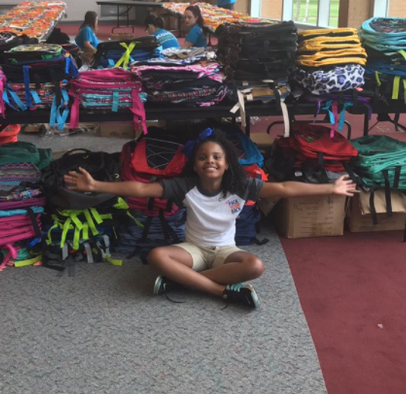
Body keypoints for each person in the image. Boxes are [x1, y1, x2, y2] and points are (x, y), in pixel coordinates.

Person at [64, 129, 356, 309]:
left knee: (255, 265)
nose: (210, 161)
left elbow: (283, 188)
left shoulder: (242, 185)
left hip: (225, 251)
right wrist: (96, 186)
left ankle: (181, 284)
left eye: (217, 156)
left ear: (227, 162)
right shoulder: (185, 186)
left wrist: (330, 187)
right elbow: (140, 188)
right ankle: (219, 291)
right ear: (195, 164)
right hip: (192, 250)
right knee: (156, 255)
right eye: (203, 157)